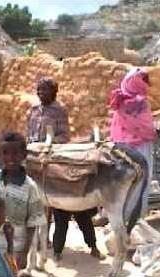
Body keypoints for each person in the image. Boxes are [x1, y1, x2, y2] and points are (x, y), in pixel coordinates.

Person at [27, 77, 105, 262]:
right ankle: (46, 243)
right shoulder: (33, 110)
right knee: (38, 203)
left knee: (70, 211)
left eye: (44, 90)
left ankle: (91, 246)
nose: (40, 93)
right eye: (39, 90)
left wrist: (47, 145)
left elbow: (63, 136)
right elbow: (28, 133)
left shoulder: (59, 111)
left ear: (53, 92)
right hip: (34, 161)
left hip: (52, 161)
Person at [0, 131, 47, 271]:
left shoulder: (30, 187)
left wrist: (24, 253)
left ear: (24, 155)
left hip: (15, 248)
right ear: (0, 154)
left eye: (15, 153)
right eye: (5, 153)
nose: (10, 157)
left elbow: (33, 223)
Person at [109, 67, 156, 216]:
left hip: (120, 149)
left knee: (122, 184)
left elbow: (115, 128)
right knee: (139, 183)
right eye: (144, 81)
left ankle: (119, 216)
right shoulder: (141, 103)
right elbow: (147, 128)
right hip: (140, 149)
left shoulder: (120, 102)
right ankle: (135, 216)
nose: (147, 84)